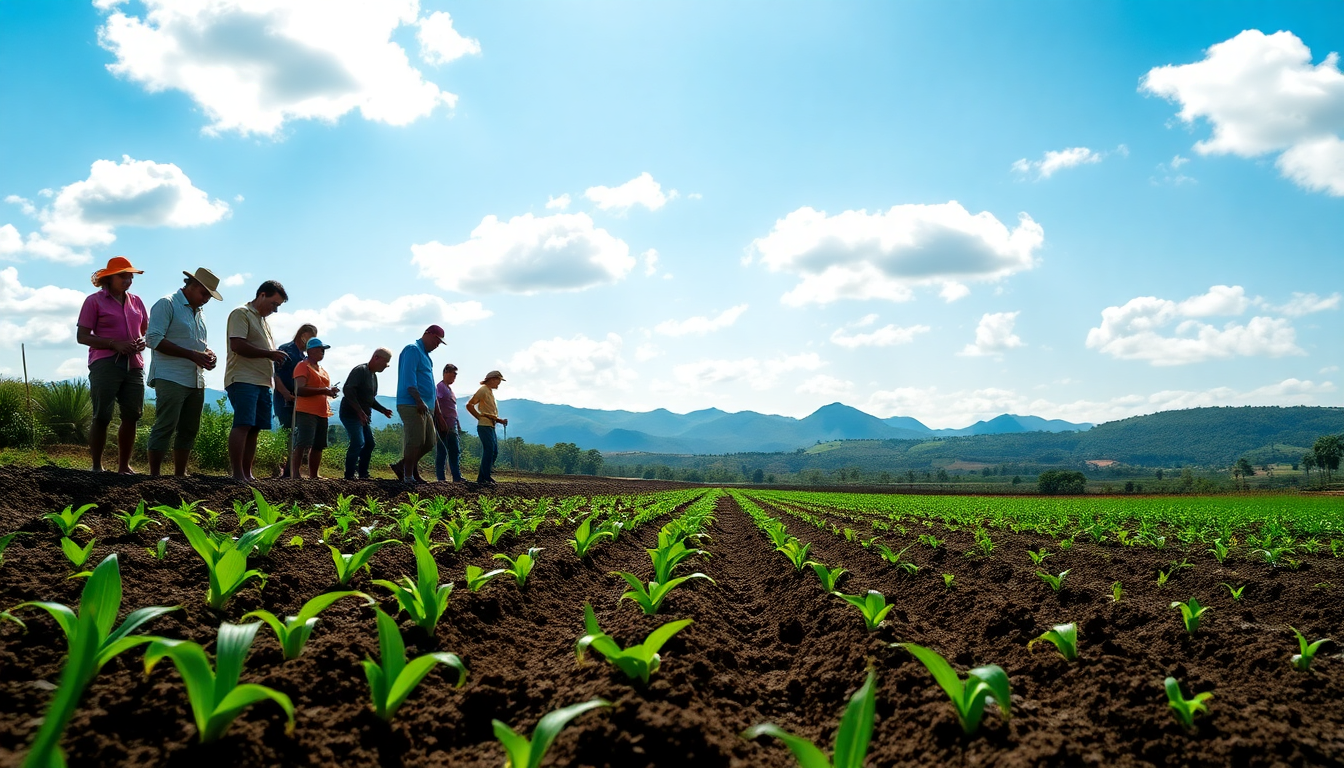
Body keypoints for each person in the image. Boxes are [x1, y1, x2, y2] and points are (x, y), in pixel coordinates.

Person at [144, 268, 222, 476]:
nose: (206, 300)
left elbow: (196, 343)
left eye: (209, 296)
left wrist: (208, 353)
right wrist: (192, 355)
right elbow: (153, 339)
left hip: (195, 378)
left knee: (189, 428)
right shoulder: (167, 304)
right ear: (192, 285)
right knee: (166, 425)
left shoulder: (199, 313)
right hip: (170, 375)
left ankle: (180, 474)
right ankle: (154, 474)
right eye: (204, 294)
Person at [77, 256, 148, 474]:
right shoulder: (93, 301)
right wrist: (113, 344)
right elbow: (82, 336)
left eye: (130, 277)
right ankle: (96, 466)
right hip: (105, 363)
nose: (128, 280)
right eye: (123, 276)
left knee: (132, 415)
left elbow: (144, 331)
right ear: (109, 278)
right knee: (102, 415)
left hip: (134, 364)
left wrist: (141, 342)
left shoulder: (136, 302)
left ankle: (124, 466)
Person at [225, 280, 289, 482]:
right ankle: (237, 474)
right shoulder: (241, 314)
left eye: (278, 306)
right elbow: (237, 345)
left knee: (255, 428)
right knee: (243, 424)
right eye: (274, 304)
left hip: (263, 381)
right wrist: (269, 354)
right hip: (243, 378)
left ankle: (247, 473)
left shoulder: (263, 322)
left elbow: (263, 351)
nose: (275, 310)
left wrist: (273, 357)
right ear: (262, 295)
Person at [391, 325, 445, 482]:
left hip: (426, 406)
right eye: (436, 340)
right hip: (411, 403)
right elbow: (409, 379)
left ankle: (403, 466)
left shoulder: (426, 357)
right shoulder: (412, 350)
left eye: (439, 342)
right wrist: (418, 400)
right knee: (415, 440)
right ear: (427, 334)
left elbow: (431, 387)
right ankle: (408, 476)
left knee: (429, 442)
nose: (437, 345)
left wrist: (438, 412)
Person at [340, 348, 393, 480]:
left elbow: (370, 399)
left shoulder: (373, 377)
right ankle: (349, 475)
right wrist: (359, 412)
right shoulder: (360, 371)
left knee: (369, 443)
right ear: (376, 358)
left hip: (363, 416)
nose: (386, 366)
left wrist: (383, 410)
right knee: (358, 442)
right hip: (350, 414)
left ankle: (363, 473)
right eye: (385, 362)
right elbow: (348, 390)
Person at [289, 338, 339, 479]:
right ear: (310, 351)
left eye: (323, 350)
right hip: (306, 410)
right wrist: (324, 390)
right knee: (303, 442)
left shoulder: (322, 370)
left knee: (318, 445)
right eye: (319, 349)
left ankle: (314, 475)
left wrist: (330, 391)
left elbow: (323, 389)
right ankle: (295, 474)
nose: (322, 352)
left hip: (322, 411)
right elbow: (299, 390)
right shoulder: (302, 366)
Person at [273, 323, 317, 477]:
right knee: (288, 432)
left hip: (299, 401)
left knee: (298, 435)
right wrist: (285, 393)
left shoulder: (303, 357)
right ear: (303, 334)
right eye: (310, 338)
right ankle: (284, 469)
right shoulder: (286, 350)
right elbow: (276, 374)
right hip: (284, 400)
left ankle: (291, 469)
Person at [466, 370, 508, 487]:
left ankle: (482, 477)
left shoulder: (489, 391)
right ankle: (486, 476)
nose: (499, 383)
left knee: (493, 451)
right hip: (484, 425)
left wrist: (498, 420)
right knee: (489, 450)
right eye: (498, 380)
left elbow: (490, 412)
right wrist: (478, 416)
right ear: (493, 379)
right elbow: (470, 405)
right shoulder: (483, 390)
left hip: (490, 425)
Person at [434, 363, 463, 483]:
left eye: (455, 375)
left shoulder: (450, 390)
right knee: (442, 451)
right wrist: (440, 419)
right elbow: (435, 401)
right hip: (443, 424)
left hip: (452, 424)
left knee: (455, 451)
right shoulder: (440, 387)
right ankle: (441, 478)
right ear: (445, 373)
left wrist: (457, 422)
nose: (454, 377)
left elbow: (452, 408)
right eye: (453, 374)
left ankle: (457, 477)